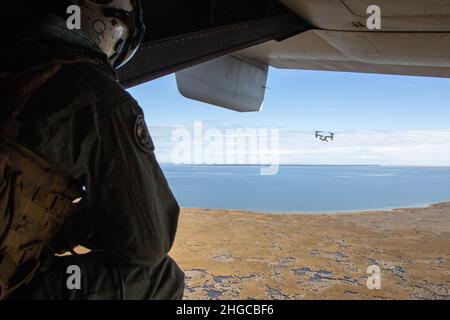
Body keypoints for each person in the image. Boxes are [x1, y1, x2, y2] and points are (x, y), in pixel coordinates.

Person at [0, 0, 184, 300]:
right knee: (162, 277)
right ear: (107, 22)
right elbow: (149, 241)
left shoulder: (13, 67)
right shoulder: (93, 92)